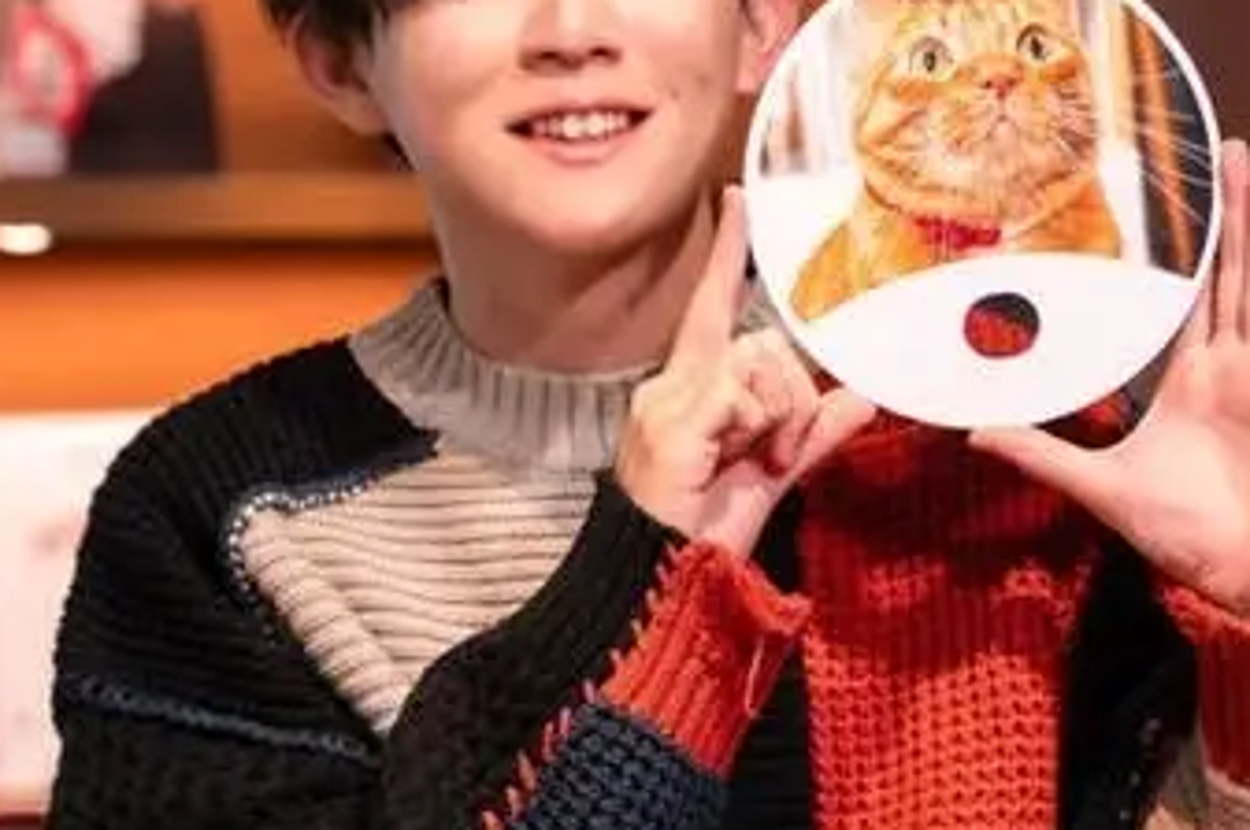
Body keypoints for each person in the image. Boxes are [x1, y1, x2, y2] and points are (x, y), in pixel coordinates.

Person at [44, 0, 1249, 826]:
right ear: (341, 62)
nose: (570, 31)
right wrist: (645, 572)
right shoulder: (220, 511)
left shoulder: (989, 441)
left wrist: (1241, 607)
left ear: (760, 26)